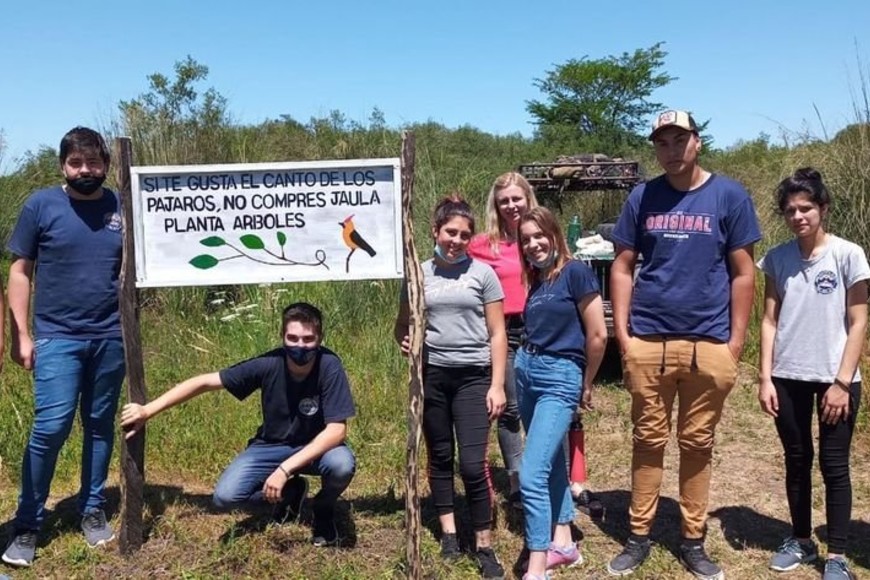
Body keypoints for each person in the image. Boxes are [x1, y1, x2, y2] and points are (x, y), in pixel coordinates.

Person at [607, 110, 761, 579]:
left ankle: (693, 539)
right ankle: (638, 535)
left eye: (679, 140)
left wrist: (735, 342)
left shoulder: (729, 196)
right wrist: (624, 336)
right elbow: (622, 265)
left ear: (697, 142)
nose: (671, 150)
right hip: (648, 339)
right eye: (662, 143)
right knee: (647, 440)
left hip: (708, 342)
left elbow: (744, 272)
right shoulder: (643, 197)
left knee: (698, 443)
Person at [120, 302, 356, 547]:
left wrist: (283, 470)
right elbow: (204, 382)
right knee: (225, 498)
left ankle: (324, 508)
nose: (300, 346)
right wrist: (148, 410)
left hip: (317, 447)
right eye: (292, 338)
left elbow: (336, 431)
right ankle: (290, 495)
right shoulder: (269, 363)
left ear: (320, 338)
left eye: (308, 339)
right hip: (271, 446)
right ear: (282, 337)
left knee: (342, 464)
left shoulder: (329, 365)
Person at [2, 127, 126, 568]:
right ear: (63, 166)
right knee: (51, 428)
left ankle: (91, 509)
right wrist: (21, 334)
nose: (85, 171)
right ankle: (28, 523)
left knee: (99, 424)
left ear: (106, 165)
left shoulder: (121, 205)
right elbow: (20, 272)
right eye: (76, 163)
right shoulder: (41, 205)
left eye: (93, 163)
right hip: (57, 337)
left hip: (112, 337)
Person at [757, 168, 867, 580]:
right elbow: (769, 321)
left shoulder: (848, 254)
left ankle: (836, 557)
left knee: (834, 465)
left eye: (806, 208)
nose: (798, 216)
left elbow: (858, 322)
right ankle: (801, 539)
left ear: (823, 209)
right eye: (790, 210)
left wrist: (841, 382)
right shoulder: (778, 258)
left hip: (835, 379)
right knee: (797, 458)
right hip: (787, 375)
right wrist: (765, 377)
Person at [394, 195, 507, 579]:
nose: (456, 240)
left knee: (473, 465)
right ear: (435, 231)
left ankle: (485, 544)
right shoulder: (417, 274)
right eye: (450, 233)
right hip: (433, 377)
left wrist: (497, 385)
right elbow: (401, 325)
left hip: (474, 376)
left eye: (464, 234)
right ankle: (449, 533)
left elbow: (497, 333)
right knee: (440, 457)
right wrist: (405, 340)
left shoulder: (482, 274)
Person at [514, 207, 607, 580]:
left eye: (540, 236)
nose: (533, 244)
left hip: (560, 375)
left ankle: (537, 566)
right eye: (526, 239)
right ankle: (564, 543)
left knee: (531, 473)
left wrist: (586, 381)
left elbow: (597, 334)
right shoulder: (537, 279)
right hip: (526, 371)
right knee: (550, 463)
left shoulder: (576, 273)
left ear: (555, 235)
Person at [467, 171, 538, 508]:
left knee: (540, 406)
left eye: (516, 198)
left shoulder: (540, 234)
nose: (511, 206)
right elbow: (449, 260)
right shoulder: (482, 244)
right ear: (496, 205)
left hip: (540, 327)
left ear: (528, 199)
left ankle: (548, 474)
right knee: (510, 408)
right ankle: (515, 479)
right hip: (503, 331)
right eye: (504, 200)